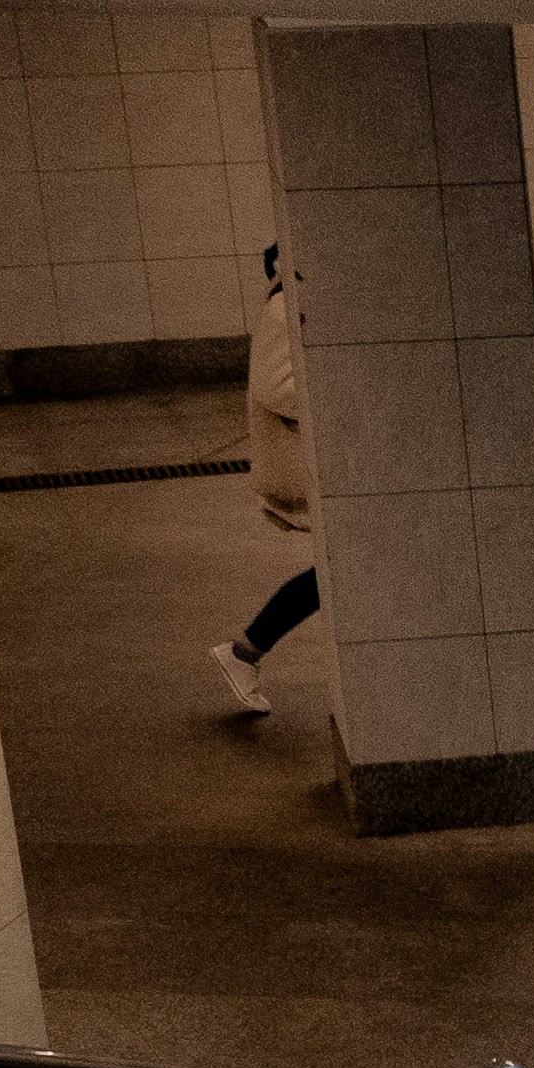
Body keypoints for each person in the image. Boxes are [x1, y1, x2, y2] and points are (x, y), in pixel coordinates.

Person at [198, 242, 314, 716]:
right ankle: (243, 652)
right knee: (339, 571)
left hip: (313, 460)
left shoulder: (298, 302)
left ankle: (244, 652)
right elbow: (277, 388)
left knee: (337, 572)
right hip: (304, 461)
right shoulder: (286, 307)